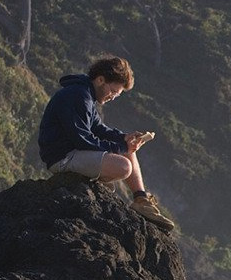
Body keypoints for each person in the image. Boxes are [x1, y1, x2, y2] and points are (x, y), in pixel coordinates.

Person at [38, 56, 175, 231]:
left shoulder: (86, 94)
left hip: (76, 153)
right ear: (101, 79)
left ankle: (141, 200)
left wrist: (124, 138)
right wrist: (120, 147)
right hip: (62, 158)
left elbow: (99, 129)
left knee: (126, 146)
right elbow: (82, 139)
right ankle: (91, 180)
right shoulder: (77, 95)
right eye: (113, 91)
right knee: (124, 167)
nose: (113, 97)